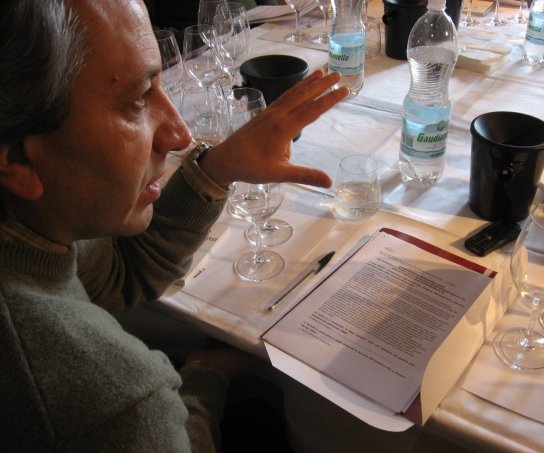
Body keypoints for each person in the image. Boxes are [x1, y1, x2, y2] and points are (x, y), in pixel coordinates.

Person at [0, 0, 347, 451]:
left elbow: (119, 273)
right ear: (19, 158)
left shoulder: (34, 223)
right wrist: (207, 375)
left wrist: (217, 169)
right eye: (137, 100)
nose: (180, 135)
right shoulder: (105, 402)